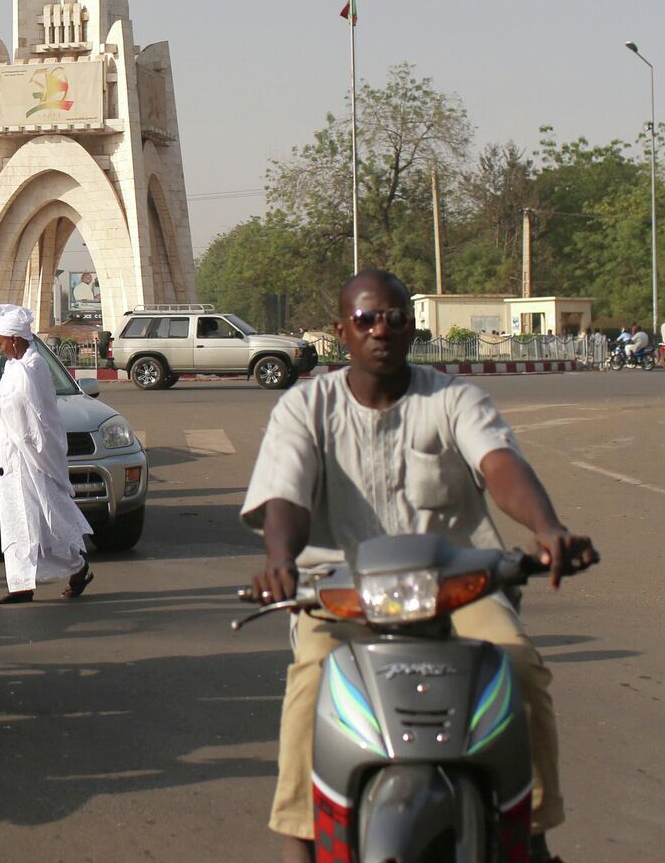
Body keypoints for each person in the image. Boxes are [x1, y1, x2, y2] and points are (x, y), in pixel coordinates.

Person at [242, 270, 598, 863]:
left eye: (395, 317)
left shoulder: (454, 399)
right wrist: (280, 561)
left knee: (519, 670)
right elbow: (285, 497)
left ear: (412, 327)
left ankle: (529, 833)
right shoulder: (305, 407)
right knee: (312, 683)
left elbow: (501, 464)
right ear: (341, 333)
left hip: (458, 587)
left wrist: (548, 528)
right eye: (366, 319)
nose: (381, 329)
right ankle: (300, 840)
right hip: (340, 592)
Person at [0, 303, 93, 604]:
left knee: (47, 515)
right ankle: (21, 585)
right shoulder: (14, 366)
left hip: (33, 456)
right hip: (13, 456)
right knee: (17, 518)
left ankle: (78, 567)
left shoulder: (34, 366)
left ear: (15, 339)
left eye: (1, 342)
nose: (0, 348)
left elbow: (31, 410)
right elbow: (13, 402)